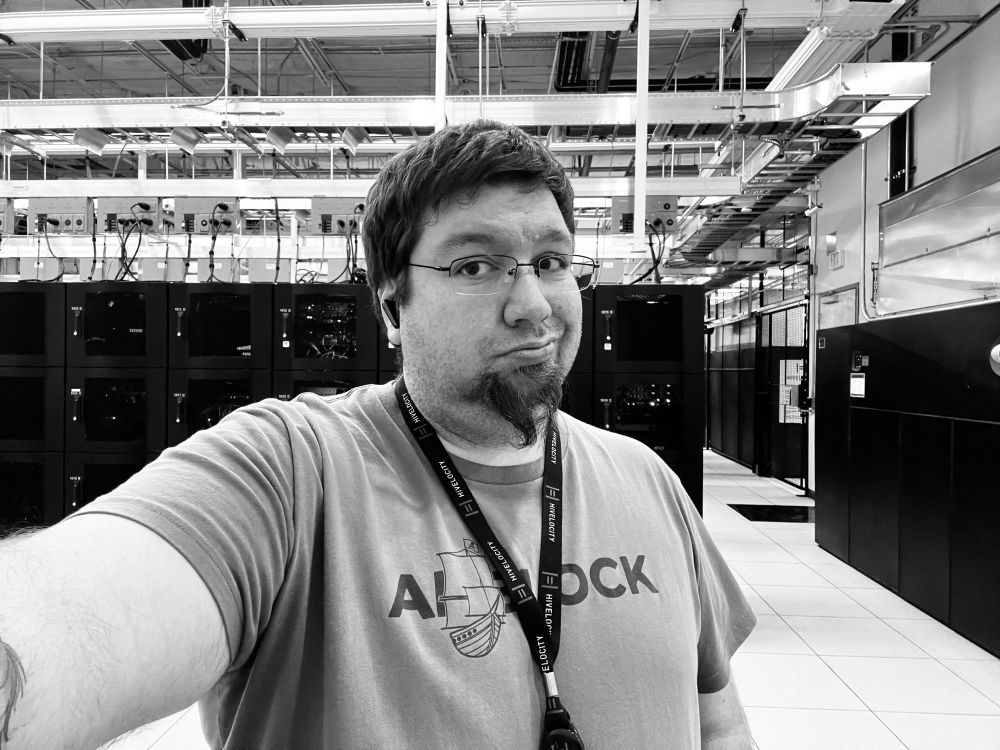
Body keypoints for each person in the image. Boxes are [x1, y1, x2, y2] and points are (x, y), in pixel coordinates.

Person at [0, 119, 755, 749]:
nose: (534, 305)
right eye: (476, 266)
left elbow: (715, 713)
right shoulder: (293, 471)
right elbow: (66, 620)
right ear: (392, 306)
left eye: (552, 262)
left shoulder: (644, 477)